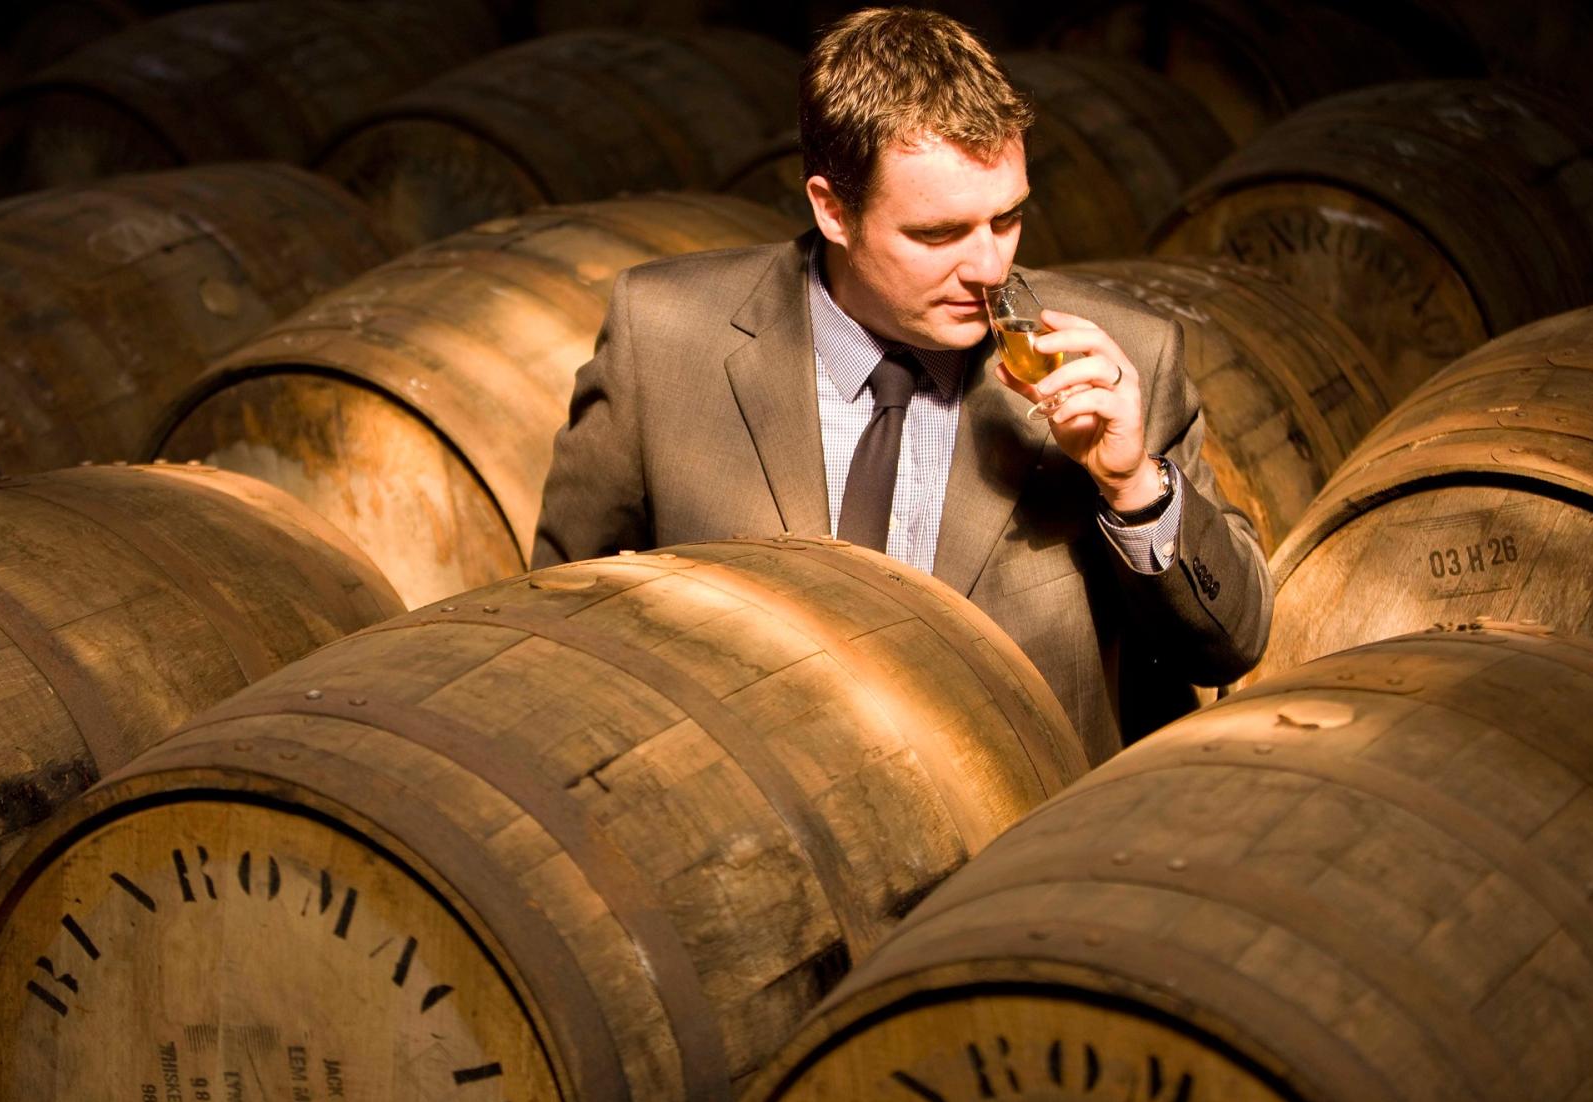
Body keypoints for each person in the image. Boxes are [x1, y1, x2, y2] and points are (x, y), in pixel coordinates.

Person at [532, 6, 1270, 760]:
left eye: (1006, 219)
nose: (989, 267)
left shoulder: (1120, 354)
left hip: (1018, 827)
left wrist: (1133, 486)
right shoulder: (661, 336)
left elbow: (1230, 645)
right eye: (938, 233)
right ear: (833, 210)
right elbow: (557, 626)